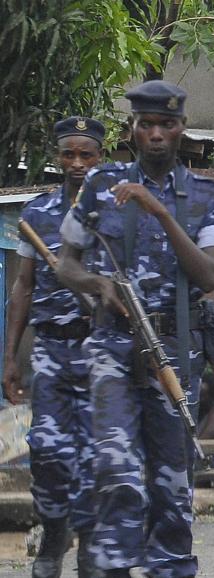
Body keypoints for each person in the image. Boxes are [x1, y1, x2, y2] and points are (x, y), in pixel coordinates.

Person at [57, 81, 214, 578]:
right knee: (115, 468)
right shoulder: (99, 185)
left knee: (173, 484)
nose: (155, 134)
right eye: (145, 124)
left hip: (174, 348)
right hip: (112, 346)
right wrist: (97, 283)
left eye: (166, 125)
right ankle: (112, 566)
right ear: (131, 129)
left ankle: (171, 568)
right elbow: (65, 263)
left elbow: (211, 275)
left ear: (181, 130)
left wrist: (159, 212)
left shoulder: (204, 195)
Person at [3, 116, 104, 577]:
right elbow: (22, 288)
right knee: (45, 450)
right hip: (51, 352)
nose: (78, 163)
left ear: (101, 158)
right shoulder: (38, 216)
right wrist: (10, 356)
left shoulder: (114, 213)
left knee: (95, 454)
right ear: (57, 157)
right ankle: (55, 530)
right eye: (70, 153)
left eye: (87, 154)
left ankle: (85, 549)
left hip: (102, 352)